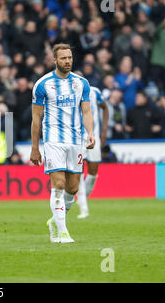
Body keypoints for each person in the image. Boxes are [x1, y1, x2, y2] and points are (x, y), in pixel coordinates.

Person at [30, 43, 95, 243]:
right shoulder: (43, 84)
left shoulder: (81, 83)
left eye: (70, 57)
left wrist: (90, 133)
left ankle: (55, 222)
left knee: (73, 188)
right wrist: (35, 148)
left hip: (76, 141)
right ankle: (63, 232)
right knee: (58, 184)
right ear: (55, 60)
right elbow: (36, 118)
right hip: (53, 141)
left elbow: (86, 111)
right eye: (63, 58)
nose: (68, 61)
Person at [76, 86, 109, 219]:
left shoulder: (95, 91)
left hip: (93, 136)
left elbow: (105, 108)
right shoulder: (68, 92)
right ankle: (84, 208)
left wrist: (104, 130)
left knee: (93, 173)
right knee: (78, 171)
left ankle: (82, 197)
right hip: (77, 139)